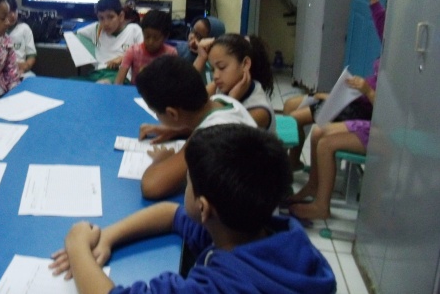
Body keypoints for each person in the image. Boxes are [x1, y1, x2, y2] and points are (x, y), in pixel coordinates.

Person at [50, 124, 336, 294]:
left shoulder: (220, 287)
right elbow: (171, 214)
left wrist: (77, 246)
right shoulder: (273, 234)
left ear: (203, 208)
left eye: (187, 183)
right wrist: (109, 236)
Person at [283, 0, 385, 171]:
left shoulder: (401, 73)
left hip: (358, 107)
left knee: (295, 118)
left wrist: (364, 91)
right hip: (352, 98)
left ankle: (289, 167)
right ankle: (293, 162)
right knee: (290, 105)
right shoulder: (392, 48)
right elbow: (383, 25)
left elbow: (384, 111)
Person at [135, 56, 257, 200]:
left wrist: (161, 158)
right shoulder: (222, 101)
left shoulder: (208, 138)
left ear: (172, 114)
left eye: (156, 113)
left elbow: (151, 186)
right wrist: (176, 130)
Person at [196, 33, 275, 130]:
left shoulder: (260, 111)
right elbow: (187, 100)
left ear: (245, 64)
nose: (215, 76)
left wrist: (231, 100)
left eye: (221, 67)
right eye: (213, 69)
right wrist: (201, 58)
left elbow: (218, 133)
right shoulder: (220, 85)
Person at [75, 0, 143, 83]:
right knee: (71, 82)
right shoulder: (97, 28)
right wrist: (92, 54)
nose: (106, 23)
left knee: (104, 84)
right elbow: (76, 34)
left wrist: (123, 58)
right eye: (101, 18)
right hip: (98, 72)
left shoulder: (133, 30)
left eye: (110, 17)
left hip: (120, 75)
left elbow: (144, 53)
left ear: (121, 16)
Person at [114, 9, 177, 85]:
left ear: (166, 36)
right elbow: (119, 81)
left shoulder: (171, 54)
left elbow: (174, 82)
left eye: (156, 38)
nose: (150, 42)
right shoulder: (133, 51)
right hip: (136, 90)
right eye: (147, 36)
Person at [3, 0, 37, 78]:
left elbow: (31, 55)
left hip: (22, 71)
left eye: (15, 10)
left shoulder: (24, 28)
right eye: (9, 12)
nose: (13, 15)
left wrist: (25, 66)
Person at [176, 16, 213, 83]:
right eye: (192, 30)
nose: (192, 36)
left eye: (198, 36)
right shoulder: (179, 50)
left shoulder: (212, 64)